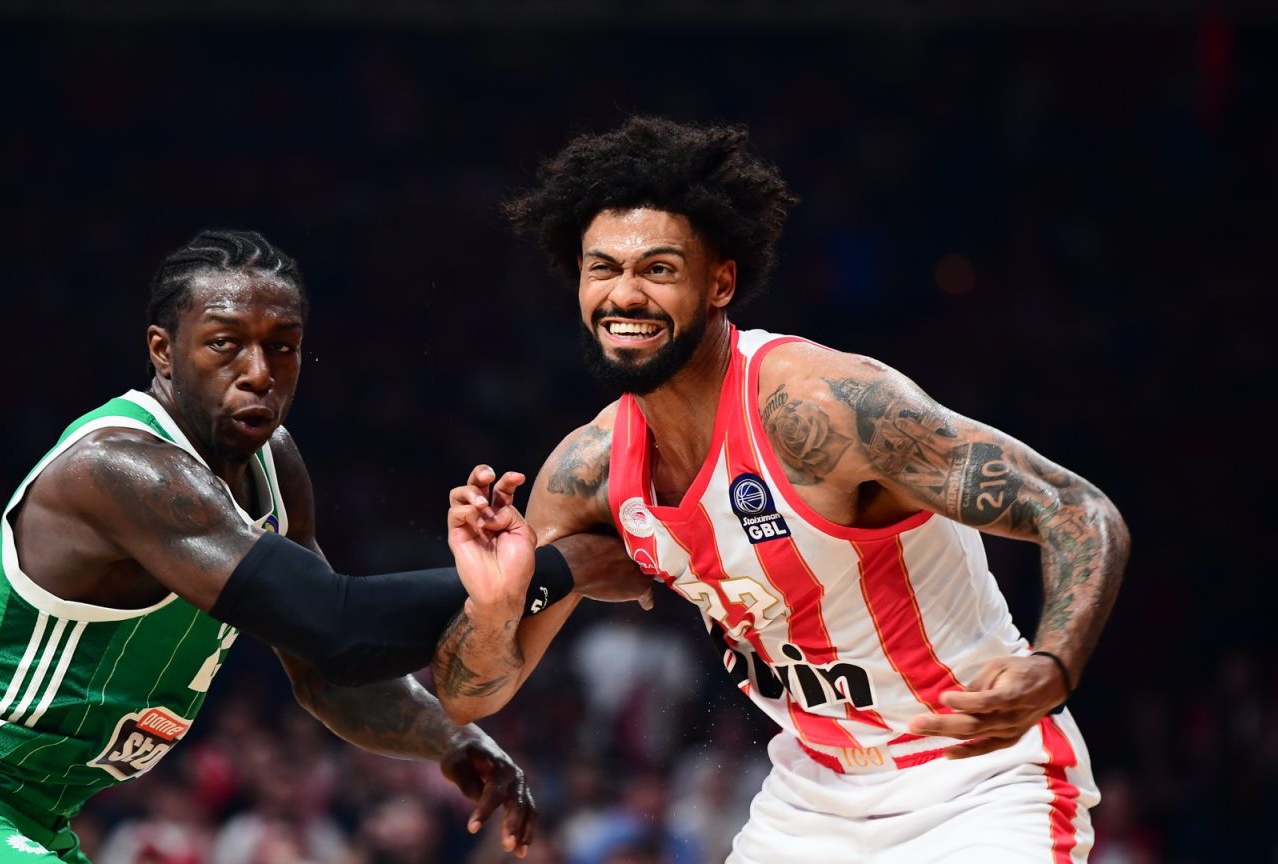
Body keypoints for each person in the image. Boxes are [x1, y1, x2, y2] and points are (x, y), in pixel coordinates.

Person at [0, 229, 637, 863]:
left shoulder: (275, 467)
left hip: (27, 817)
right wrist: (564, 567)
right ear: (164, 351)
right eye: (226, 345)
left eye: (282, 348)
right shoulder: (122, 468)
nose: (259, 372)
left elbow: (328, 670)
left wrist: (450, 741)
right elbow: (340, 623)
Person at [434, 118, 1131, 862]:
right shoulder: (590, 472)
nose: (625, 294)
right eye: (602, 268)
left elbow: (1077, 510)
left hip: (977, 781)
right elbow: (472, 694)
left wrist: (1052, 667)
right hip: (812, 798)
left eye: (659, 269)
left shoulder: (825, 408)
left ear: (720, 283)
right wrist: (495, 605)